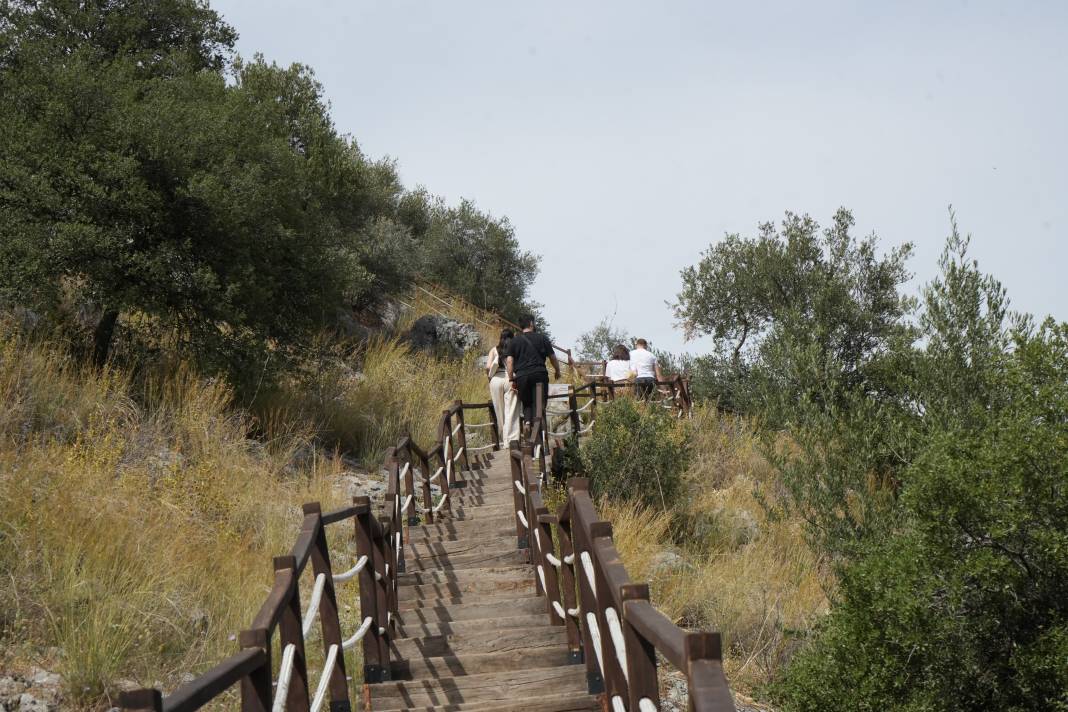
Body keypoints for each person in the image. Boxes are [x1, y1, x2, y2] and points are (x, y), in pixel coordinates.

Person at [506, 314, 561, 430]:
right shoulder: (542, 338)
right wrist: (557, 371)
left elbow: (509, 362)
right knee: (539, 405)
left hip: (522, 377)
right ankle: (538, 435)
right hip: (539, 375)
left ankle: (527, 423)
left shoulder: (514, 341)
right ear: (531, 323)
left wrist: (511, 379)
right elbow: (553, 358)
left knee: (527, 403)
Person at [486, 330, 520, 444]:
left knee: (499, 411)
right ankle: (511, 441)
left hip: (495, 380)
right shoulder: (514, 348)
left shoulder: (494, 350)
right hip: (510, 379)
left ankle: (503, 439)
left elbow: (488, 367)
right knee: (511, 410)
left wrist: (490, 379)